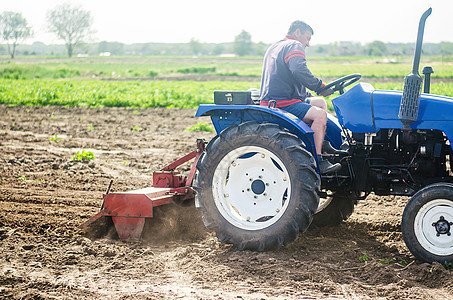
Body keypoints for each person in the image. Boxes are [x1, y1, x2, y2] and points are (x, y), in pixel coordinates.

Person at [259, 20, 341, 174]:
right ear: (297, 33)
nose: (308, 44)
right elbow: (298, 70)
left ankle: (322, 142)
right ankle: (318, 160)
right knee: (320, 115)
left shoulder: (276, 46)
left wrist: (309, 94)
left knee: (320, 102)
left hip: (275, 99)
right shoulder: (293, 45)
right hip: (282, 103)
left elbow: (285, 77)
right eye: (307, 38)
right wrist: (320, 86)